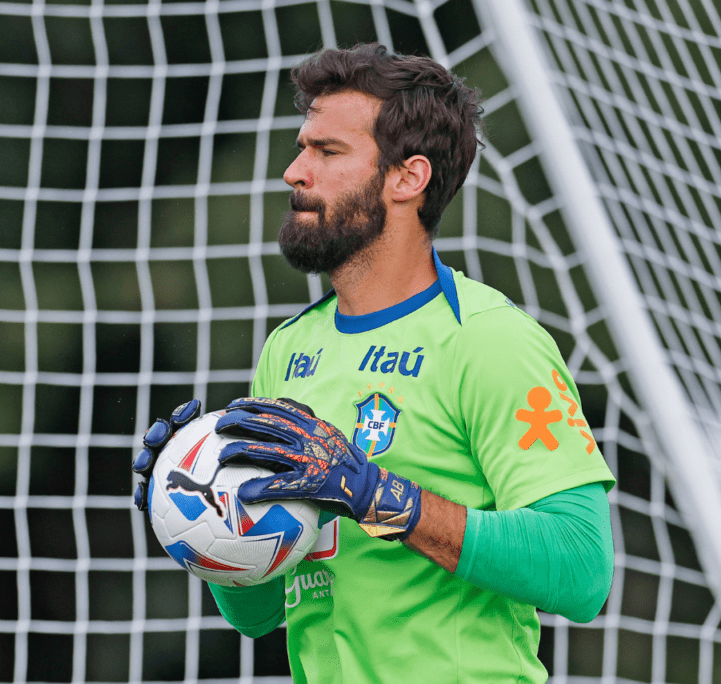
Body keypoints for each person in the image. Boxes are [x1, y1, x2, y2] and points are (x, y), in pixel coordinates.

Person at [133, 43, 615, 684]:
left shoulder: (488, 339)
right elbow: (260, 613)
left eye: (328, 152)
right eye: (303, 147)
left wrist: (380, 498)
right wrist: (198, 511)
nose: (294, 172)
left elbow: (582, 571)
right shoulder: (289, 350)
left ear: (407, 178)